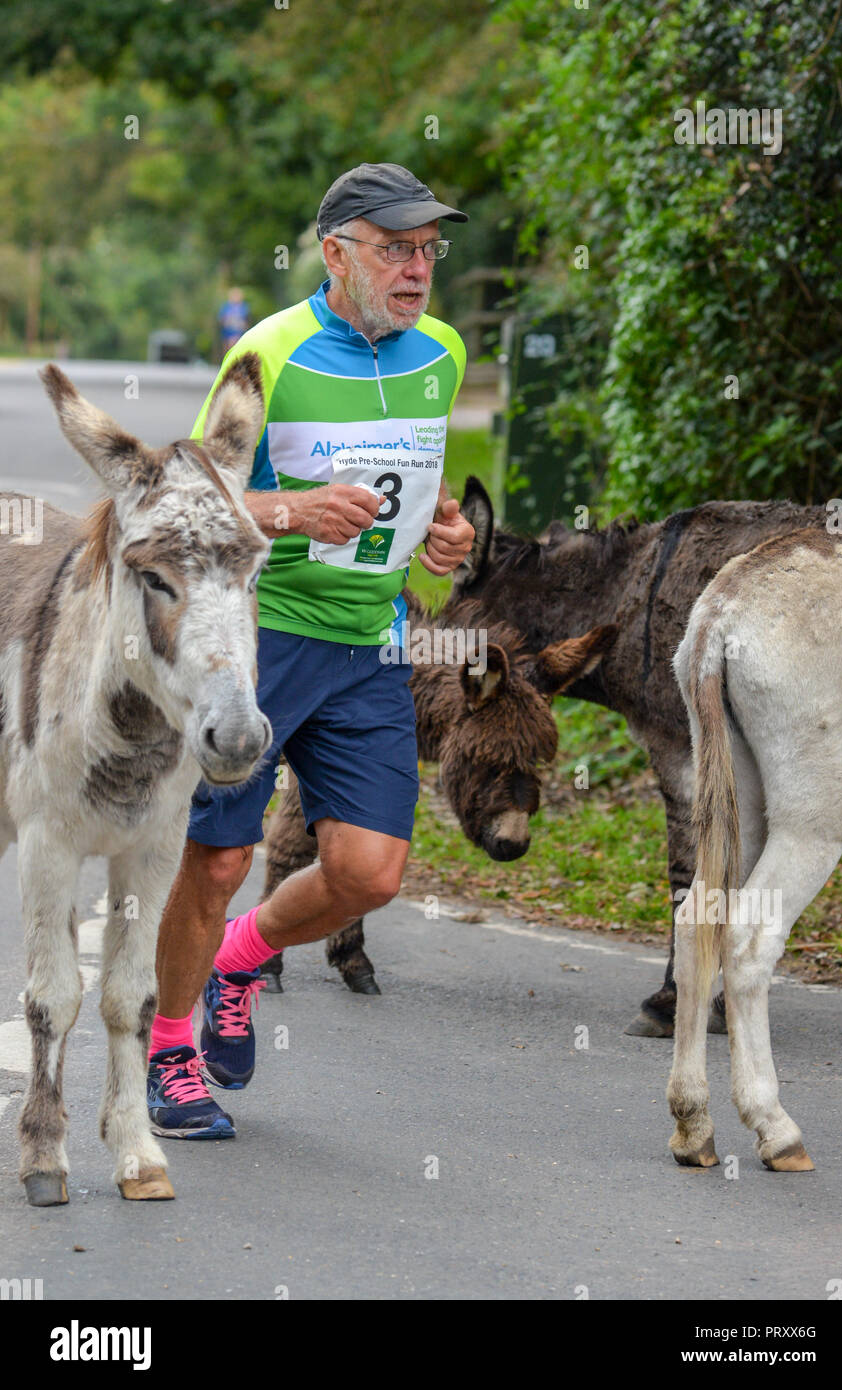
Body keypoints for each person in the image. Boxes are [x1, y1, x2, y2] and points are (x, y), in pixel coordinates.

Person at [147, 163, 475, 1137]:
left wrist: (443, 537)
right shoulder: (269, 352)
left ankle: (240, 959)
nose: (416, 268)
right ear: (335, 253)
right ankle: (171, 1048)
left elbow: (418, 484)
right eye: (393, 248)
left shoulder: (444, 352)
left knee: (369, 872)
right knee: (216, 859)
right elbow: (189, 502)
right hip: (258, 643)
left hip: (369, 643)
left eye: (426, 248)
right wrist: (289, 511)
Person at [217, 287, 250, 353]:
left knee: (236, 346)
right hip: (228, 332)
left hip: (239, 332)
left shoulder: (244, 307)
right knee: (228, 349)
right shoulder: (226, 307)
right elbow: (221, 319)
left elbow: (247, 320)